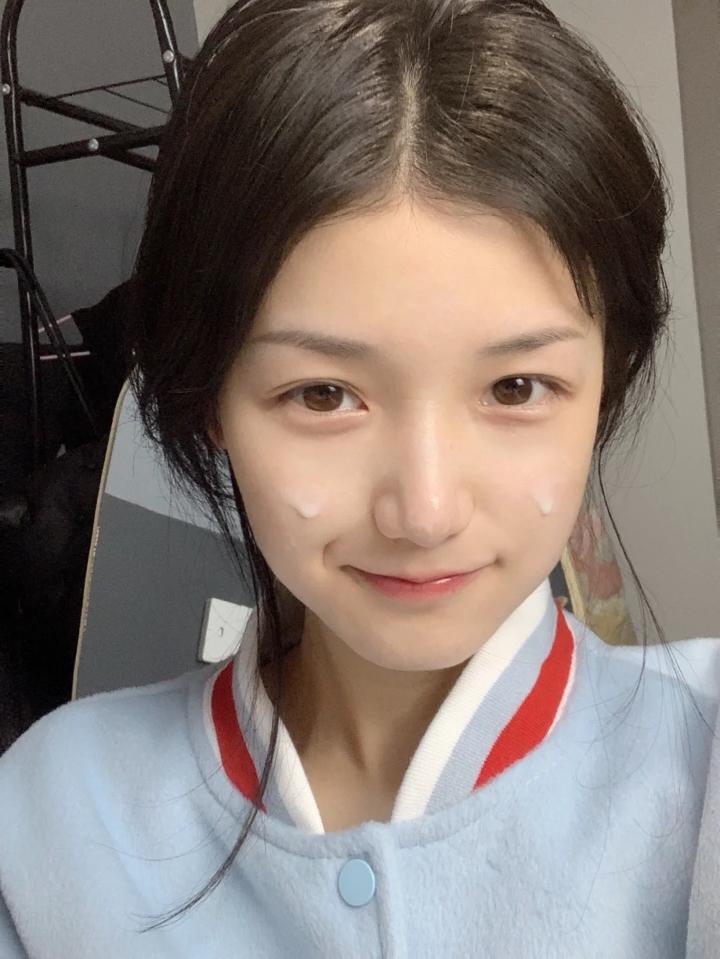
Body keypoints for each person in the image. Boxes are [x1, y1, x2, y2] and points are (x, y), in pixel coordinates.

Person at [1, 1, 719, 955]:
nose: (425, 511)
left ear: (605, 378)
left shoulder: (701, 769)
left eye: (516, 386)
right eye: (324, 394)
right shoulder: (51, 817)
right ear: (210, 397)